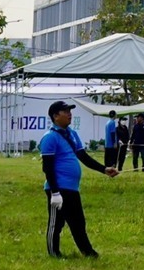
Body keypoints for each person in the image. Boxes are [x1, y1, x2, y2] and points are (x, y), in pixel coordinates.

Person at [40, 100, 117, 257]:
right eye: (65, 111)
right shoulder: (50, 137)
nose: (69, 114)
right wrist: (54, 193)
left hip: (72, 187)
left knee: (78, 222)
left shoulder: (72, 134)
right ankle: (53, 253)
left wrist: (104, 169)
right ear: (55, 116)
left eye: (70, 111)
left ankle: (88, 252)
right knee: (56, 223)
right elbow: (47, 167)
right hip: (58, 187)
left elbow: (83, 156)